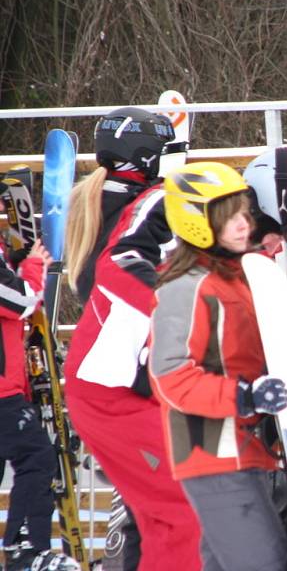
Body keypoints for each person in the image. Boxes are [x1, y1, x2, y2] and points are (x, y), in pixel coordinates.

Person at [149, 160, 287, 571]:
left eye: (243, 214)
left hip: (259, 448)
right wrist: (246, 396)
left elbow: (266, 360)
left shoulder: (250, 278)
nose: (241, 225)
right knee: (266, 563)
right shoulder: (185, 287)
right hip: (213, 453)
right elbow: (170, 376)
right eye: (226, 217)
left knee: (269, 557)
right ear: (197, 222)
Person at [63, 107, 201, 571]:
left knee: (159, 512)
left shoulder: (99, 200)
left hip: (125, 371)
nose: (173, 162)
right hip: (127, 378)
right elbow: (114, 275)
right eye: (167, 153)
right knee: (176, 511)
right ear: (145, 157)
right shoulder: (140, 206)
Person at [0, 185, 78, 571]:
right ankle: (26, 551)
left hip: (9, 388)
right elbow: (20, 299)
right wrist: (33, 267)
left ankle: (24, 550)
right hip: (2, 395)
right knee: (37, 457)